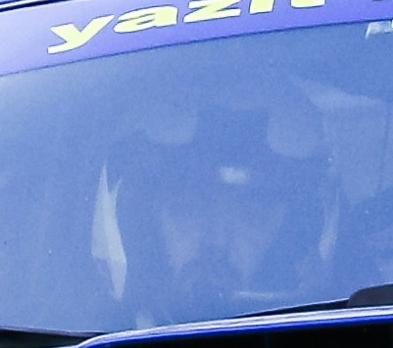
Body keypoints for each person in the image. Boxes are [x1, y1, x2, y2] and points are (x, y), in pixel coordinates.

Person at [104, 102, 323, 320]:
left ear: (288, 236)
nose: (216, 241)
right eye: (187, 210)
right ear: (148, 229)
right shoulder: (97, 346)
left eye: (250, 214)